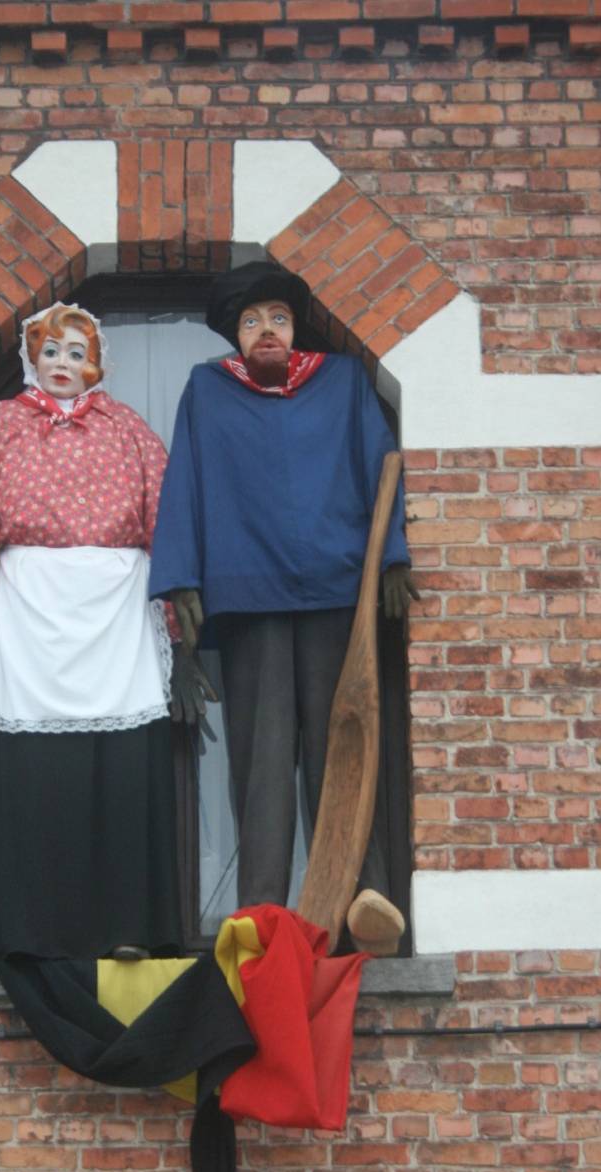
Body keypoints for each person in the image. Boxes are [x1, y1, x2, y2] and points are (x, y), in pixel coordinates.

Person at [148, 262, 418, 938]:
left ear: (295, 328)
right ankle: (262, 906)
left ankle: (365, 896)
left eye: (278, 318)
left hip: (336, 591)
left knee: (345, 746)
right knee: (262, 761)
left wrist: (392, 557)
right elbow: (185, 482)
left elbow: (378, 463)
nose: (265, 330)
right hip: (249, 595)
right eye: (251, 321)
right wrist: (181, 578)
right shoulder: (207, 391)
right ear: (235, 336)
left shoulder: (343, 382)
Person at [0, 301, 193, 959]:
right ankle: (35, 929)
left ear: (95, 365)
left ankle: (128, 925)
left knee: (123, 767)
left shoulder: (128, 429)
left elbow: (166, 517)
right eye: (51, 351)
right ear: (32, 357)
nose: (62, 364)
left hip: (118, 612)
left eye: (77, 354)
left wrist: (177, 616)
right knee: (37, 773)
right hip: (31, 608)